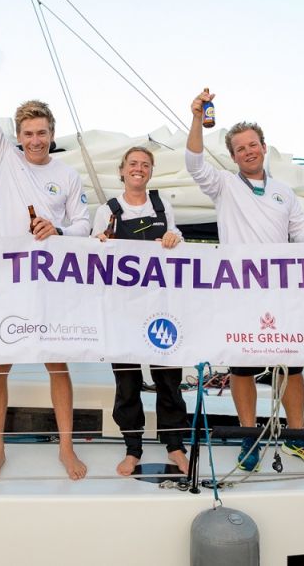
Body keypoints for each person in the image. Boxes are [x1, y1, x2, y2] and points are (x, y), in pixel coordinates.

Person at [0, 16, 92, 482]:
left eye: (42, 133)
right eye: (28, 133)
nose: (35, 140)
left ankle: (66, 448)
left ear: (51, 134)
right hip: (4, 277)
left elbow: (83, 225)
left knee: (57, 366)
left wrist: (56, 230)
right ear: (17, 137)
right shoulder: (6, 159)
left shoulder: (69, 175)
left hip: (50, 284)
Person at [186, 88, 304, 473]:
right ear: (234, 156)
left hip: (282, 293)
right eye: (240, 149)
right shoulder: (223, 185)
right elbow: (194, 163)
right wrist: (196, 116)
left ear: (264, 147)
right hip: (239, 291)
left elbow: (301, 233)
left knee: (294, 366)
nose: (248, 152)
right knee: (242, 369)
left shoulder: (284, 193)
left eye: (253, 145)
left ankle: (299, 437)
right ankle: (248, 434)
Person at [92, 146, 189, 476]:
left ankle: (175, 445)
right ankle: (132, 448)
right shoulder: (109, 209)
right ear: (122, 171)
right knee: (128, 384)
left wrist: (176, 239)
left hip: (163, 308)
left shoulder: (163, 205)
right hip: (124, 310)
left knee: (169, 381)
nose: (139, 168)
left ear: (151, 171)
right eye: (133, 164)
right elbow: (95, 253)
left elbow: (179, 245)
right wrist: (101, 243)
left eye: (145, 164)